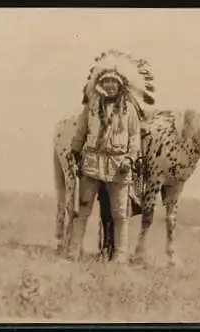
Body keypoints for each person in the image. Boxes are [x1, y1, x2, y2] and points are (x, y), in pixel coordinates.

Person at [68, 63, 145, 264]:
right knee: (84, 209)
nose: (110, 85)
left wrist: (130, 158)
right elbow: (80, 133)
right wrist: (75, 155)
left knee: (120, 213)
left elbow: (135, 138)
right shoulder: (91, 107)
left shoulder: (129, 110)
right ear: (100, 84)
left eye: (114, 82)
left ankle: (120, 256)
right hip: (92, 162)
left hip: (120, 165)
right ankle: (74, 252)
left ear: (121, 85)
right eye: (106, 81)